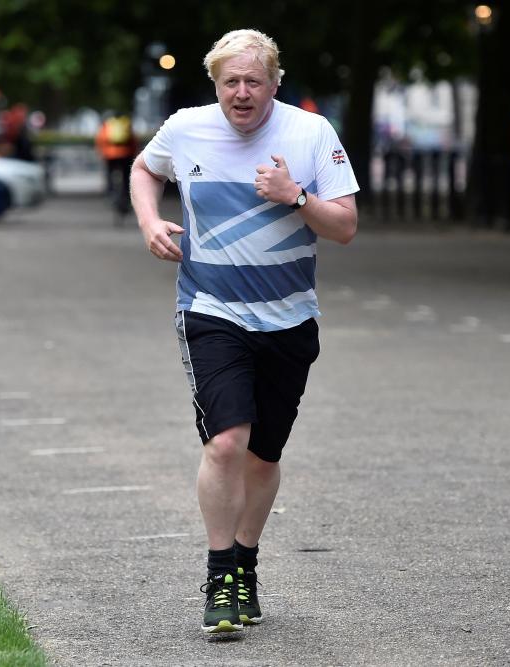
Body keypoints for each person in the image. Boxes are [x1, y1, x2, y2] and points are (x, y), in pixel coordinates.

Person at [129, 29, 358, 635]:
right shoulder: (185, 128)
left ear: (276, 83)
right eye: (231, 81)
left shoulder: (311, 134)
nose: (242, 92)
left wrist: (295, 197)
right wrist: (150, 221)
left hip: (290, 316)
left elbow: (344, 228)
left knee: (263, 455)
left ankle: (246, 564)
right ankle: (220, 572)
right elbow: (144, 169)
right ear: (216, 85)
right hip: (211, 310)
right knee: (226, 443)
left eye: (254, 80)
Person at [95, 112, 138, 205]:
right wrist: (133, 152)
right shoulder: (126, 123)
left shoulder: (107, 124)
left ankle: (110, 193)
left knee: (110, 174)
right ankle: (127, 194)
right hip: (126, 153)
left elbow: (100, 139)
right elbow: (134, 140)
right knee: (126, 175)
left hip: (110, 154)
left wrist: (101, 152)